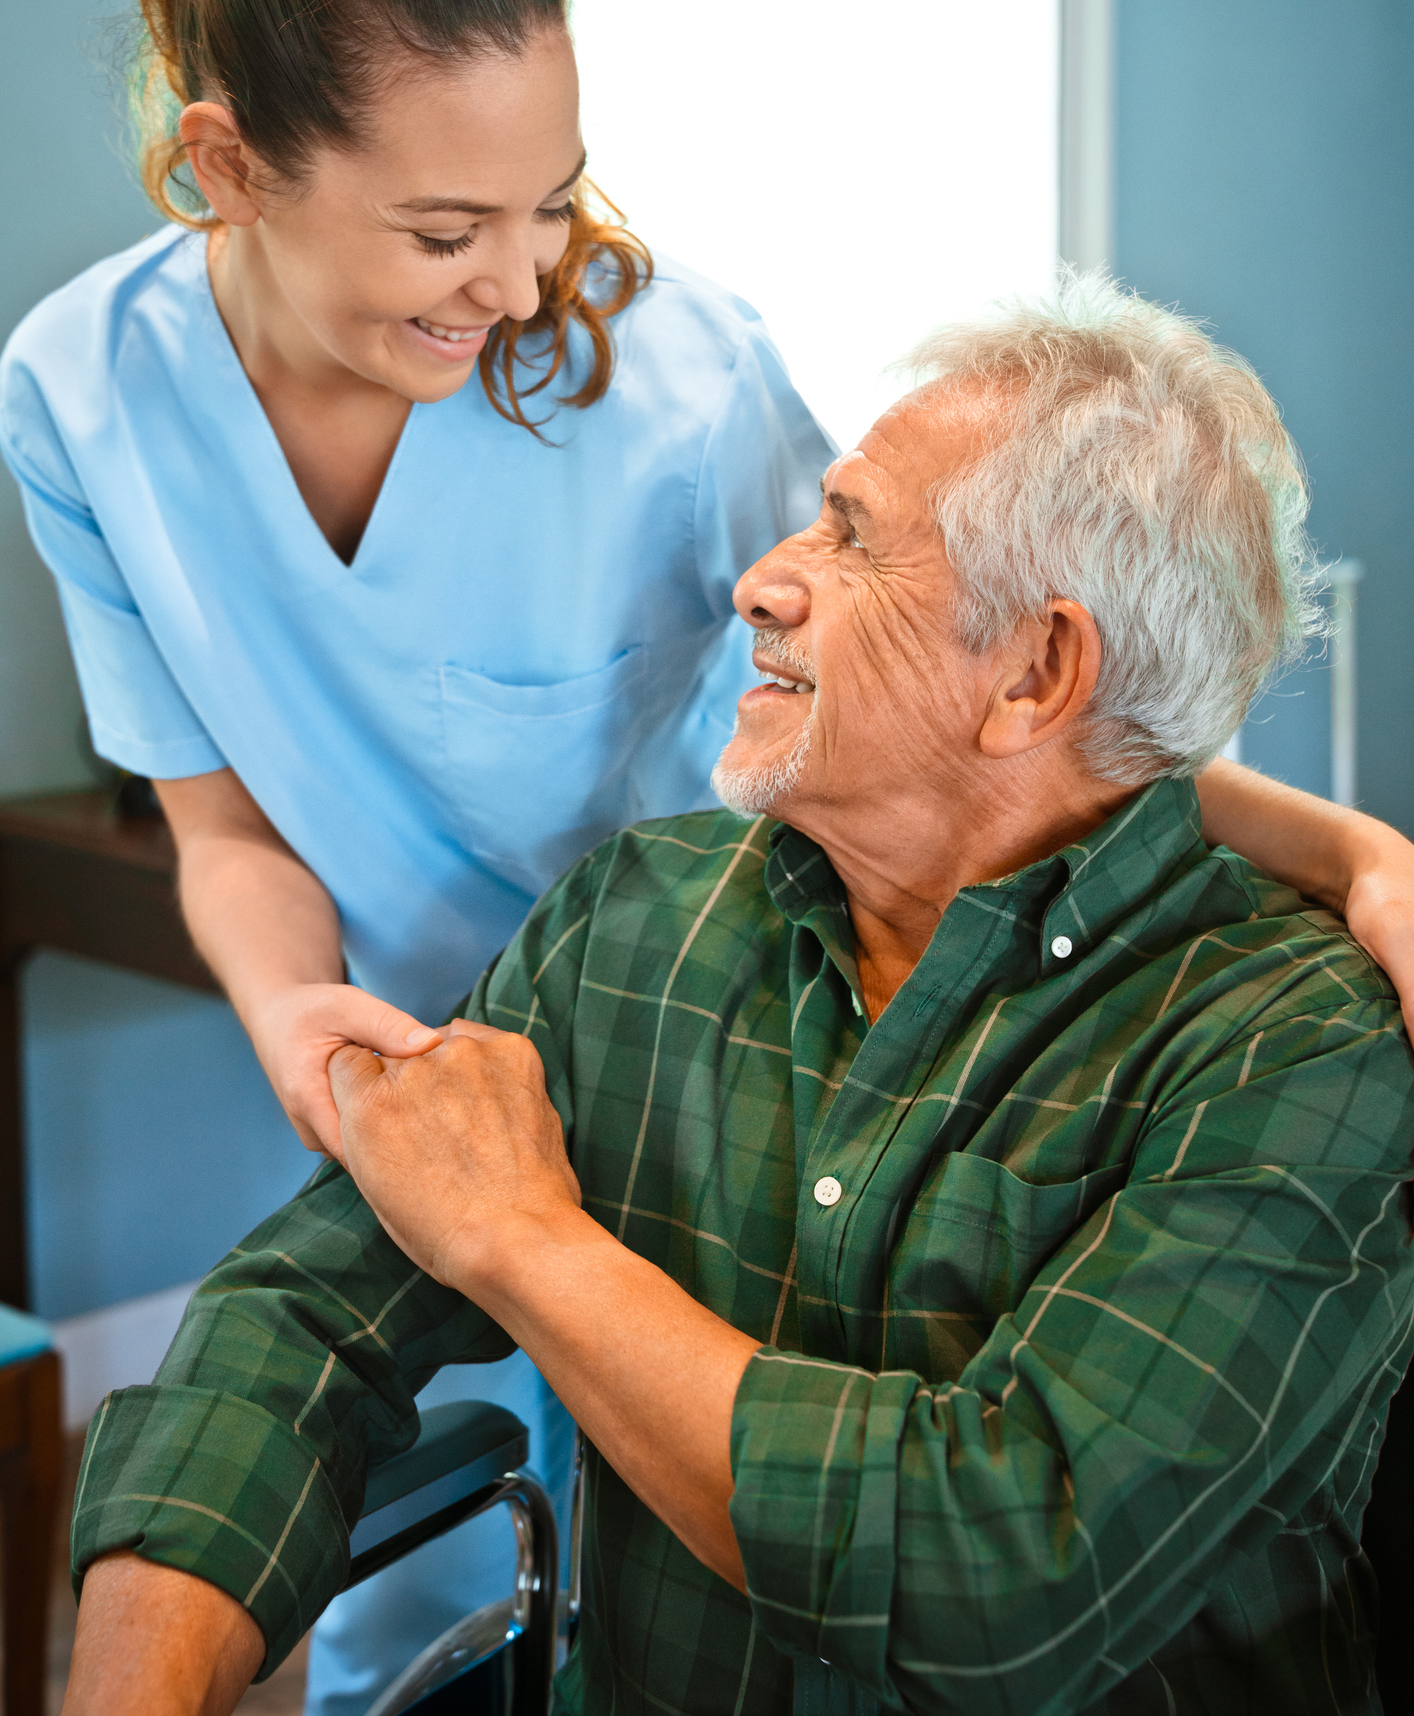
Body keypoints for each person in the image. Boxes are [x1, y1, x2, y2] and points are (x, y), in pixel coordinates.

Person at [63, 279, 1414, 1715]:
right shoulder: (639, 919)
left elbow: (1003, 1582)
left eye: (851, 541)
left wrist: (523, 1243)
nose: (760, 581)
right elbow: (298, 1323)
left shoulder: (1298, 1045)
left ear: (1033, 672)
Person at [0, 0, 835, 1716]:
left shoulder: (677, 377)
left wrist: (1337, 851)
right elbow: (221, 826)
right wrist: (297, 1017)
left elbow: (923, 689)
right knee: (383, 1559)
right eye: (446, 231)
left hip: (724, 1064)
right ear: (229, 167)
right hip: (419, 1086)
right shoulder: (78, 394)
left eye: (546, 205)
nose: (521, 280)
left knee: (695, 1585)